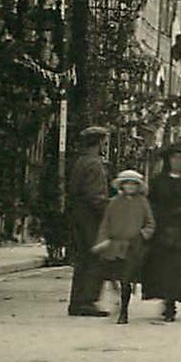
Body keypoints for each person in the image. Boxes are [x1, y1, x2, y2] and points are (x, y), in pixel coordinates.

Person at [142, 143, 181, 321]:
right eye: (173, 157)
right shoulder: (159, 180)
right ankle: (168, 303)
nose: (177, 161)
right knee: (164, 268)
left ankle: (173, 299)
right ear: (168, 160)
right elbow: (151, 204)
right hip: (163, 229)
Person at [95, 170, 156, 325]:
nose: (130, 186)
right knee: (113, 275)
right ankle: (117, 299)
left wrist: (143, 235)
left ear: (138, 186)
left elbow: (150, 223)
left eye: (133, 184)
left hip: (133, 246)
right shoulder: (114, 202)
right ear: (121, 185)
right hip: (115, 246)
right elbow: (105, 224)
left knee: (126, 279)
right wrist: (102, 240)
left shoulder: (142, 202)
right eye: (127, 183)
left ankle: (124, 311)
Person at [66, 126, 112, 317]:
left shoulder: (81, 162)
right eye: (104, 142)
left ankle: (77, 301)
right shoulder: (94, 164)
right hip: (91, 218)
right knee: (95, 257)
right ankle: (87, 301)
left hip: (79, 214)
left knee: (83, 259)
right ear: (99, 142)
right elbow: (96, 197)